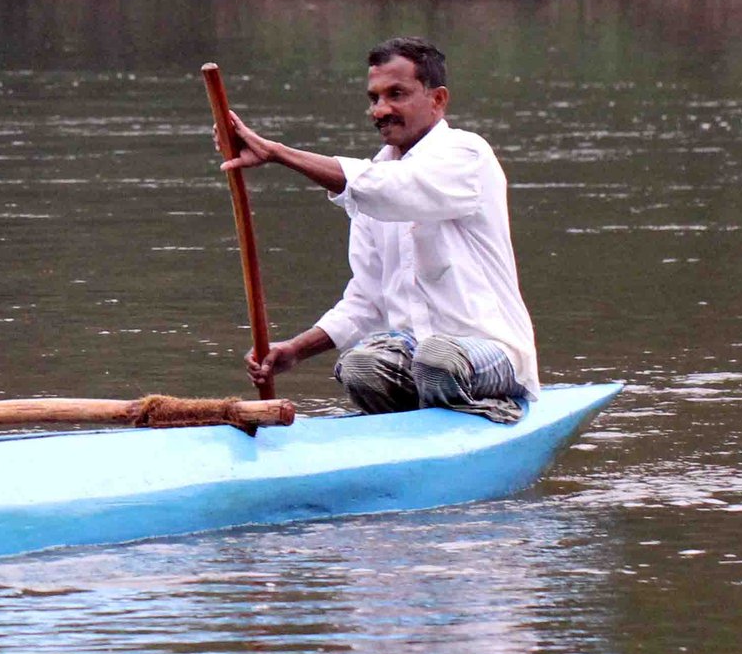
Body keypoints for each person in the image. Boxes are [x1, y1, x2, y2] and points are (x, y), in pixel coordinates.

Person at [221, 36, 538, 422]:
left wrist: (277, 153)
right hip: (417, 355)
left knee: (436, 358)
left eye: (396, 95)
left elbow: (395, 188)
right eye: (374, 98)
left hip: (490, 353)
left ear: (437, 99)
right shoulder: (373, 181)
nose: (380, 110)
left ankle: (491, 414)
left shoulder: (467, 155)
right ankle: (413, 427)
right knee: (360, 366)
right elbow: (367, 300)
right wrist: (294, 350)